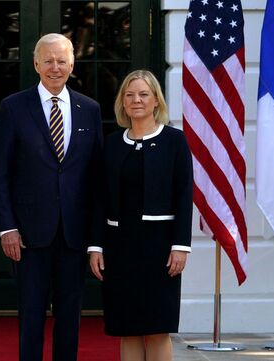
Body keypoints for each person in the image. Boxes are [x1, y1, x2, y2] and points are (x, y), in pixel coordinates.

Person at [0, 33, 104, 361]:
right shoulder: (13, 107)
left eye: (62, 60)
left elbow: (96, 181)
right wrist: (7, 227)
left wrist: (96, 240)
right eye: (48, 60)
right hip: (27, 235)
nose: (55, 67)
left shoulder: (89, 109)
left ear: (73, 64)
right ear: (36, 63)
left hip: (74, 235)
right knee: (31, 316)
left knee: (70, 317)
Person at [88, 70, 193, 361]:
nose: (136, 100)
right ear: (122, 101)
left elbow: (184, 196)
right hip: (119, 247)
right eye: (130, 95)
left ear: (156, 101)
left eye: (144, 94)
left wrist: (181, 246)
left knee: (158, 327)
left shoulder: (175, 141)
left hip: (159, 249)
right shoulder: (110, 144)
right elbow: (99, 199)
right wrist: (95, 246)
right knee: (128, 327)